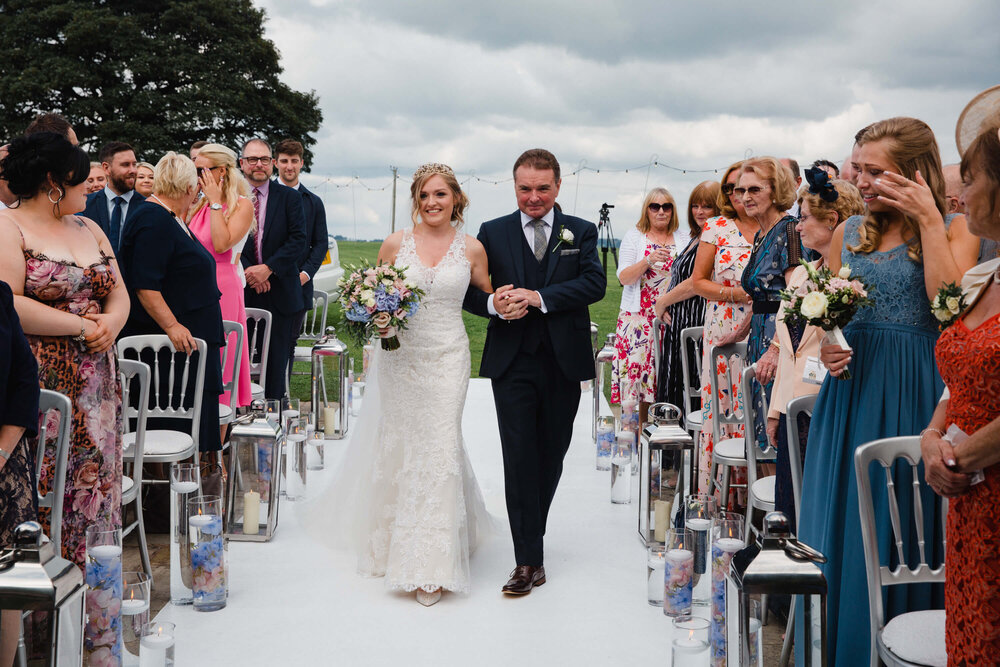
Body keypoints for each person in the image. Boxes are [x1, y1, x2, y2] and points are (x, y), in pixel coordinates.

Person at [797, 117, 979, 666]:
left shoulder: (957, 228)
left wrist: (926, 217)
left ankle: (906, 647)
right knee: (844, 525)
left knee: (906, 532)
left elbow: (953, 309)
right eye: (859, 169)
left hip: (918, 394)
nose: (863, 181)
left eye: (876, 171)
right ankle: (838, 648)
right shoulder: (850, 231)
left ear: (915, 172)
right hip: (849, 396)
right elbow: (830, 319)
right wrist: (830, 347)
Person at [305, 163, 493, 606]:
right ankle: (394, 538)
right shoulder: (394, 244)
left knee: (440, 442)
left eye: (440, 195)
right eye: (424, 195)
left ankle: (431, 563)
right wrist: (379, 323)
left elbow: (484, 297)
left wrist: (504, 301)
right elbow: (371, 297)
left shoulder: (472, 248)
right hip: (400, 359)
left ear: (456, 200)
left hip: (448, 356)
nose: (432, 202)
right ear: (416, 200)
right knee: (405, 442)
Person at [464, 148, 606, 595]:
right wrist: (495, 304)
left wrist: (539, 297)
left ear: (558, 187)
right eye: (525, 188)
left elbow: (595, 284)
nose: (533, 197)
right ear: (514, 186)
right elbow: (471, 292)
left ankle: (531, 533)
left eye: (542, 188)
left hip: (564, 363)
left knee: (551, 455)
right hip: (513, 362)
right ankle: (528, 560)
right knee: (519, 456)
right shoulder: (492, 232)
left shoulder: (580, 232)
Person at [0, 132, 127, 567]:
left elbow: (119, 292)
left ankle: (97, 619)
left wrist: (110, 322)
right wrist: (79, 326)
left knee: (97, 489)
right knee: (48, 490)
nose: (90, 187)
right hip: (42, 381)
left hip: (99, 385)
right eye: (80, 181)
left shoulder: (89, 227)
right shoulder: (7, 225)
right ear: (53, 182)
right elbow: (10, 301)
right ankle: (46, 623)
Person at [922, 121, 1000, 663]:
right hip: (971, 505)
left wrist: (968, 453)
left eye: (969, 179)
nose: (959, 193)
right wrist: (932, 436)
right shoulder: (986, 276)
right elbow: (960, 374)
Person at [766, 171, 864, 531]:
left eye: (804, 217)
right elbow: (787, 351)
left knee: (819, 514)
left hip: (827, 408)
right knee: (789, 510)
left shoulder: (855, 280)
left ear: (833, 220)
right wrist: (777, 409)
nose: (797, 226)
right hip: (794, 411)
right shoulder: (799, 277)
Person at [118, 152, 224, 457]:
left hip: (190, 344)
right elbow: (146, 285)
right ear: (189, 188)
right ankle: (168, 494)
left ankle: (189, 485)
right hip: (171, 351)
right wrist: (173, 326)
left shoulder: (170, 216)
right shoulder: (153, 219)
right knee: (170, 427)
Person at [724, 157, 803, 448]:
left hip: (779, 343)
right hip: (760, 337)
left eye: (754, 189)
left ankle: (778, 494)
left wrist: (776, 348)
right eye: (740, 190)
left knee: (775, 434)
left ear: (776, 190)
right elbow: (763, 299)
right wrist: (740, 331)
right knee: (759, 433)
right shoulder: (762, 233)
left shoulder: (790, 231)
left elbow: (796, 294)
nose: (745, 197)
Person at [691, 162, 755, 504]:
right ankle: (718, 498)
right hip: (723, 323)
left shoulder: (772, 227)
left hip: (763, 326)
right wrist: (737, 295)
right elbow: (699, 281)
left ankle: (752, 498)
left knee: (754, 406)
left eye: (746, 187)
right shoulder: (716, 227)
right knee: (721, 407)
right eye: (732, 188)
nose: (739, 194)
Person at [610, 187, 689, 422]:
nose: (661, 211)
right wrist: (648, 260)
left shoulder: (683, 237)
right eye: (655, 206)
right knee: (638, 385)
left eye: (667, 206)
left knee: (666, 380)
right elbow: (624, 277)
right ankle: (636, 438)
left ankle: (665, 436)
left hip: (670, 317)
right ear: (647, 211)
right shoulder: (635, 236)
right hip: (638, 320)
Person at [189, 144, 254, 417]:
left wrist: (216, 202)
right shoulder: (199, 205)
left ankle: (218, 438)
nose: (197, 176)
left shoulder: (242, 205)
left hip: (223, 286)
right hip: (194, 286)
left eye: (202, 170)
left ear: (222, 171)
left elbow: (221, 243)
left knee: (221, 359)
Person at [238, 138, 306, 399]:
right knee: (239, 360)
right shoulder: (232, 197)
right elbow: (223, 242)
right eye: (253, 159)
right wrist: (249, 271)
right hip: (241, 290)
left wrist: (267, 269)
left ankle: (274, 422)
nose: (259, 164)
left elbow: (298, 240)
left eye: (264, 159)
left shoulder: (289, 197)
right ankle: (239, 422)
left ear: (272, 163)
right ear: (242, 163)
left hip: (280, 292)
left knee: (275, 364)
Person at [0, 278, 39, 667]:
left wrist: (1, 452)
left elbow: (25, 381)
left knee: (6, 569)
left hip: (3, 460)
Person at [654, 180, 719, 410]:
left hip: (695, 324)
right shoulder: (696, 237)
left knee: (690, 392)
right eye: (695, 206)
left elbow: (696, 282)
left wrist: (662, 301)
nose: (700, 212)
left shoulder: (716, 239)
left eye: (707, 206)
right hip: (678, 324)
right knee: (673, 389)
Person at [274, 138, 329, 386]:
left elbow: (320, 244)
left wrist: (305, 275)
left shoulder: (313, 202)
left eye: (294, 161)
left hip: (298, 284)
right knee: (260, 345)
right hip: (265, 283)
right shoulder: (262, 197)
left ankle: (281, 397)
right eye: (284, 161)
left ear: (301, 163)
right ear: (275, 163)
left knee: (288, 343)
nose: (289, 166)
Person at [80, 141, 144, 253]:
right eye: (125, 165)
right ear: (106, 168)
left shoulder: (147, 207)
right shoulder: (85, 205)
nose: (133, 170)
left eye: (134, 164)